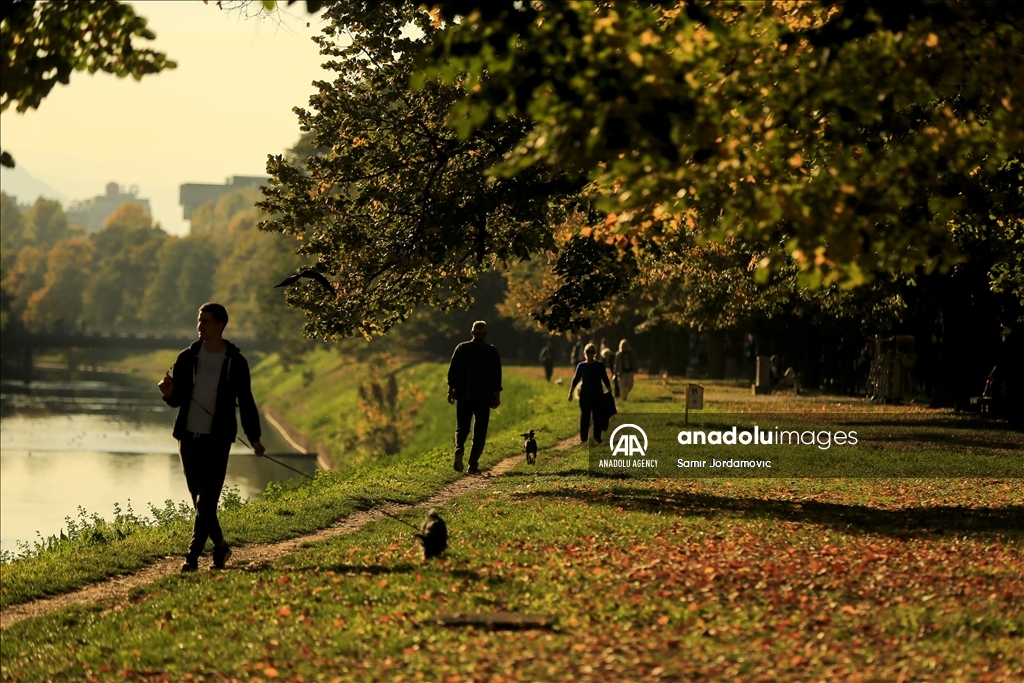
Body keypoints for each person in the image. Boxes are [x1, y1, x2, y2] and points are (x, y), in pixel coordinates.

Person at [158, 303, 264, 573]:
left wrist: (254, 437)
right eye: (199, 320)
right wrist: (169, 393)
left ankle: (192, 557)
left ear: (220, 326)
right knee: (198, 499)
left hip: (217, 440)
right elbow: (178, 400)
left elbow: (246, 401)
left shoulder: (235, 362)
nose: (200, 326)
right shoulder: (187, 358)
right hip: (188, 438)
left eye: (205, 321)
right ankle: (221, 547)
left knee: (207, 501)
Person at [447, 320, 502, 474]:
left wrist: (450, 391)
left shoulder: (462, 348)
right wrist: (496, 396)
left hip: (464, 395)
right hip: (483, 397)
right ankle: (473, 464)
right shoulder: (491, 351)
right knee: (480, 431)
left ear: (472, 333)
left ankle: (459, 447)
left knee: (462, 427)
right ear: (485, 335)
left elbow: (452, 372)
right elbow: (497, 376)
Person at [568, 343, 612, 444]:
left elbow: (605, 378)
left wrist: (609, 390)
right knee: (585, 417)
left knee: (597, 417)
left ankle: (597, 437)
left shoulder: (599, 365)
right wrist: (570, 392)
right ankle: (583, 438)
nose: (590, 354)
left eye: (592, 352)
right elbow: (575, 380)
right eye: (588, 352)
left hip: (597, 394)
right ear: (585, 353)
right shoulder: (581, 366)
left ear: (595, 353)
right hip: (585, 395)